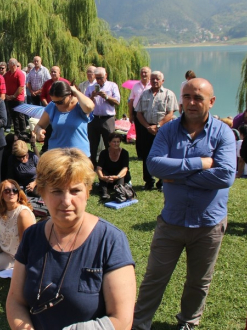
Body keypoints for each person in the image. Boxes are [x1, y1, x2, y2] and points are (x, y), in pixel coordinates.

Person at [133, 78, 236, 330]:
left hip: (208, 224)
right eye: (187, 96)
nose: (191, 102)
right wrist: (200, 163)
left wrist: (176, 174)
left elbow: (225, 176)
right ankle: (138, 323)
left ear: (211, 102)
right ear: (180, 100)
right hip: (172, 220)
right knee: (154, 277)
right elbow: (154, 165)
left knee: (199, 280)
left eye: (198, 98)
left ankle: (188, 321)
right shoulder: (168, 130)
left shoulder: (223, 133)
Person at [6, 148, 136, 330]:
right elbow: (15, 301)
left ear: (88, 192)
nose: (66, 201)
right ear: (42, 193)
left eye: (75, 190)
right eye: (57, 191)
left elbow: (122, 321)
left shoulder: (111, 240)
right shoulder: (31, 236)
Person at [135, 71, 178, 190]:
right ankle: (148, 181)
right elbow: (139, 113)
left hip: (163, 129)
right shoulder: (144, 94)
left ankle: (162, 182)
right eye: (152, 79)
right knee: (146, 155)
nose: (154, 81)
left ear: (162, 81)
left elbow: (170, 113)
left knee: (163, 154)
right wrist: (147, 127)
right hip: (147, 129)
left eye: (157, 79)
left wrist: (158, 125)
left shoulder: (169, 94)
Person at [35, 81, 94, 155]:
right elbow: (39, 125)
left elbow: (89, 106)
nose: (56, 104)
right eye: (54, 101)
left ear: (69, 95)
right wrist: (39, 130)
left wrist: (75, 91)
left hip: (79, 155)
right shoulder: (52, 106)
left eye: (60, 102)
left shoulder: (81, 105)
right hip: (56, 155)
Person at [85, 67, 121, 167]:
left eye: (100, 78)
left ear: (106, 76)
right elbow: (85, 104)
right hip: (94, 118)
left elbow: (117, 102)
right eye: (97, 78)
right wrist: (92, 96)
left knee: (109, 143)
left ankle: (110, 164)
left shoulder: (112, 86)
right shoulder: (91, 87)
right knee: (93, 144)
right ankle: (92, 165)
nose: (99, 80)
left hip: (107, 118)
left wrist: (106, 97)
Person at [96, 132, 132, 200]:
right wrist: (102, 177)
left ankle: (119, 193)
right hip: (108, 175)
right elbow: (99, 168)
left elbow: (125, 168)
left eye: (118, 142)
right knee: (103, 172)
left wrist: (117, 176)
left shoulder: (124, 153)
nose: (116, 144)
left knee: (121, 176)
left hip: (119, 175)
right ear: (109, 143)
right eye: (114, 142)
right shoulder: (103, 153)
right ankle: (105, 193)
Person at [128, 67, 151, 159]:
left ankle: (149, 153)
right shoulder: (136, 86)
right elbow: (131, 100)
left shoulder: (152, 85)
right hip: (137, 112)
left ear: (150, 73)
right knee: (139, 133)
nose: (143, 74)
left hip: (149, 112)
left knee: (149, 133)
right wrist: (130, 114)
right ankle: (140, 154)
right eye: (142, 72)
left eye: (145, 72)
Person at [4, 58, 27, 139]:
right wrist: (6, 95)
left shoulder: (20, 74)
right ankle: (17, 132)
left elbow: (21, 87)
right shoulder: (7, 74)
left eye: (9, 63)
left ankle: (23, 132)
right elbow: (4, 84)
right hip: (9, 99)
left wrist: (14, 96)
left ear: (13, 65)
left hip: (18, 99)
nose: (7, 64)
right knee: (13, 116)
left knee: (20, 116)